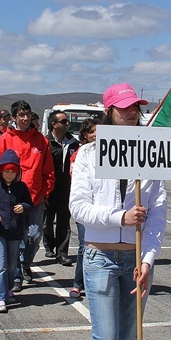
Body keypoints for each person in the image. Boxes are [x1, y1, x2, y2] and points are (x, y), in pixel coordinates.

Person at [65, 83, 167, 340]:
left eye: (136, 107)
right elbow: (77, 207)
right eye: (124, 107)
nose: (132, 113)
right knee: (104, 337)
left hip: (136, 259)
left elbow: (156, 212)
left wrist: (149, 257)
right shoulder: (89, 155)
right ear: (108, 111)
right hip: (100, 255)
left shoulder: (152, 150)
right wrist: (118, 217)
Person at [0, 101, 54, 292]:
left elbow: (48, 171)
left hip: (35, 197)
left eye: (28, 115)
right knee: (15, 238)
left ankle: (25, 264)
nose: (25, 119)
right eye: (21, 115)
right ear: (14, 117)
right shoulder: (5, 140)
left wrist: (46, 191)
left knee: (34, 235)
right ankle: (16, 276)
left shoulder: (41, 141)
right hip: (11, 199)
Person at [0, 149, 32, 313]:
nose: (9, 175)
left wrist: (23, 207)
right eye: (6, 171)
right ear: (0, 171)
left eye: (13, 171)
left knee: (11, 266)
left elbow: (29, 204)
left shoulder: (22, 187)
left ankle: (8, 288)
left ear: (17, 172)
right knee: (0, 266)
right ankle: (0, 298)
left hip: (16, 232)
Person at [43, 110, 79, 266]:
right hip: (49, 189)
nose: (67, 124)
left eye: (67, 121)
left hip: (67, 189)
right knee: (47, 222)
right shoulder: (45, 142)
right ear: (53, 124)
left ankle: (62, 252)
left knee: (64, 222)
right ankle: (48, 245)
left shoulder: (73, 143)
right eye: (63, 121)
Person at [68, 118, 97, 298]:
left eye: (99, 131)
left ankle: (93, 283)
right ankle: (78, 283)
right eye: (92, 131)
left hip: (103, 209)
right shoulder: (79, 155)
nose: (96, 135)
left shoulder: (109, 152)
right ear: (85, 135)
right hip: (85, 207)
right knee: (84, 246)